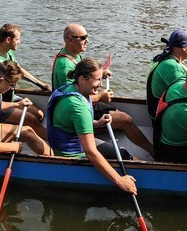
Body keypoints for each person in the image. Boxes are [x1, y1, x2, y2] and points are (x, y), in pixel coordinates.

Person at [52, 23, 153, 154]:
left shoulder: (73, 54)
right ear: (70, 40)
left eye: (87, 37)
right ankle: (153, 151)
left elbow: (82, 76)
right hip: (73, 113)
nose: (87, 40)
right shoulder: (65, 65)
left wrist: (101, 73)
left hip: (85, 103)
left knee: (119, 113)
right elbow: (70, 98)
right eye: (82, 38)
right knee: (125, 120)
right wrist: (100, 97)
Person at [47, 59, 137, 193]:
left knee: (122, 152)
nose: (101, 85)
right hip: (73, 156)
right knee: (123, 155)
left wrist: (98, 123)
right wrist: (119, 180)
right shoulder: (78, 106)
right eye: (98, 80)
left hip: (72, 142)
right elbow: (90, 152)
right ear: (82, 79)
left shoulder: (68, 88)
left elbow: (72, 125)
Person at [0, 23, 49, 138]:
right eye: (17, 39)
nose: (19, 42)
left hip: (9, 96)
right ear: (8, 39)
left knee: (40, 114)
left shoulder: (9, 53)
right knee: (31, 119)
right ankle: (56, 147)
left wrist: (40, 84)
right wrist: (16, 105)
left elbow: (19, 70)